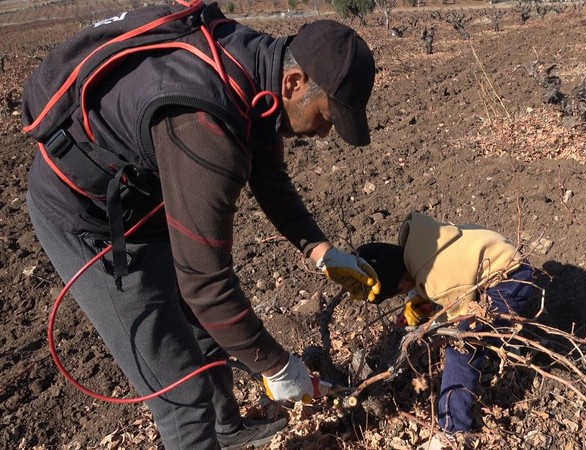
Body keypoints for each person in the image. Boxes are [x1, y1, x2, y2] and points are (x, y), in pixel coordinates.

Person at [22, 3, 380, 449]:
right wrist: (277, 366)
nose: (325, 133)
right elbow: (206, 282)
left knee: (202, 333)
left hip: (146, 195)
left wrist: (321, 251)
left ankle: (228, 431)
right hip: (89, 221)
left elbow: (269, 178)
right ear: (295, 82)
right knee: (182, 396)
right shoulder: (206, 122)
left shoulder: (257, 68)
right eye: (326, 116)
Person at [357, 212, 537, 450]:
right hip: (491, 262)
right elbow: (438, 284)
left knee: (462, 351)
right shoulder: (417, 244)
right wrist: (415, 311)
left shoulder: (438, 281)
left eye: (400, 293)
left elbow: (458, 317)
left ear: (402, 285)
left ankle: (455, 431)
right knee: (460, 328)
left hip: (511, 280)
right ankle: (499, 342)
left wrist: (445, 325)